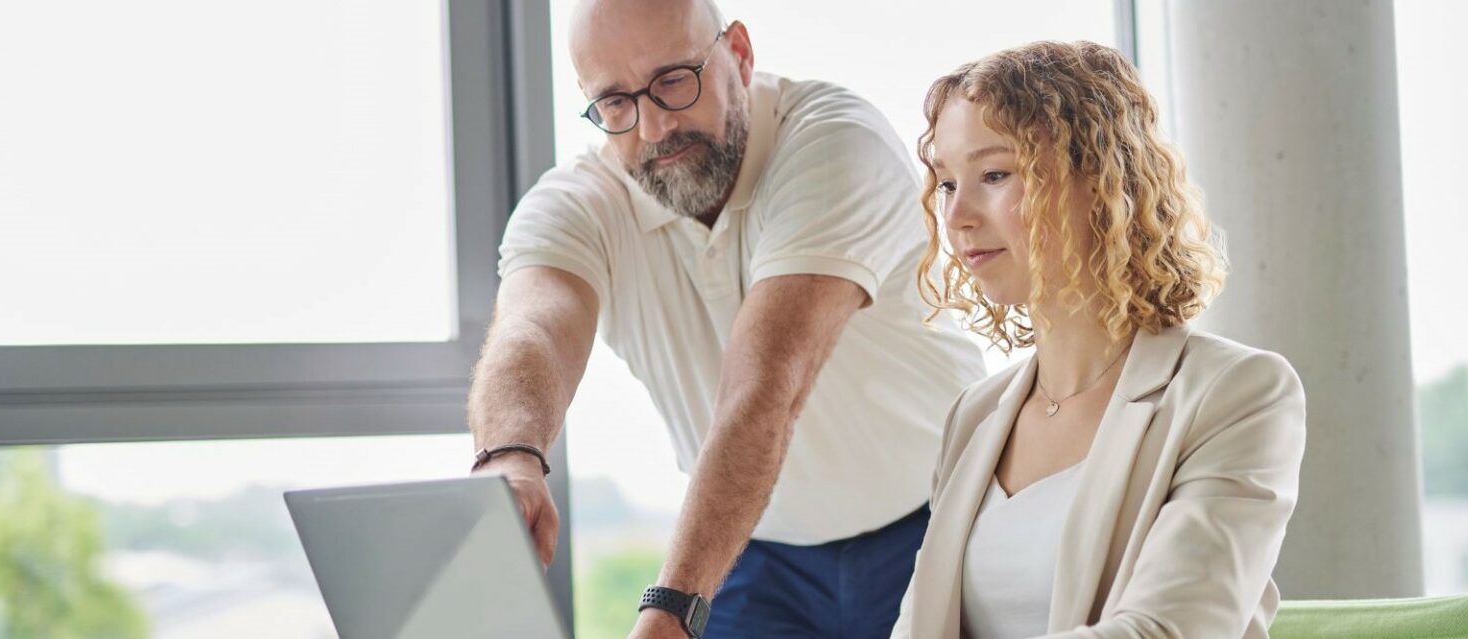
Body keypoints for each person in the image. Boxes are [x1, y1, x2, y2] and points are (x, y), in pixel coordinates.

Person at [466, 0, 985, 636]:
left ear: (738, 54)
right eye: (616, 103)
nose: (653, 127)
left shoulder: (833, 139)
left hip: (938, 517)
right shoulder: (577, 204)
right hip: (754, 544)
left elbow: (769, 382)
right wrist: (512, 454)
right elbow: (533, 329)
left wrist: (672, 610)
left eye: (674, 81)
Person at [889, 41, 1307, 639]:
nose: (956, 217)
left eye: (995, 174)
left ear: (1103, 180)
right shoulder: (974, 417)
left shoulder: (1236, 394)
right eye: (948, 184)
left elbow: (1168, 631)